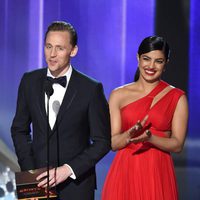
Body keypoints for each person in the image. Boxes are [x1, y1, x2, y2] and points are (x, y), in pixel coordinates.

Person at [11, 21, 111, 200]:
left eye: (60, 48)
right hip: (35, 182)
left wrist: (68, 170)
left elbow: (102, 141)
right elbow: (19, 129)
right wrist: (31, 171)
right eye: (48, 46)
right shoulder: (29, 81)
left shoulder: (91, 89)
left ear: (73, 51)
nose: (52, 54)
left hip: (76, 185)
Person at [102, 36, 188, 200]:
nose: (151, 66)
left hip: (158, 173)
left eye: (158, 61)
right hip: (125, 171)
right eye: (146, 59)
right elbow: (113, 144)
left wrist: (150, 138)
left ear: (166, 63)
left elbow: (177, 145)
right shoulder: (118, 95)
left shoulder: (177, 97)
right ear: (138, 58)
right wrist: (129, 134)